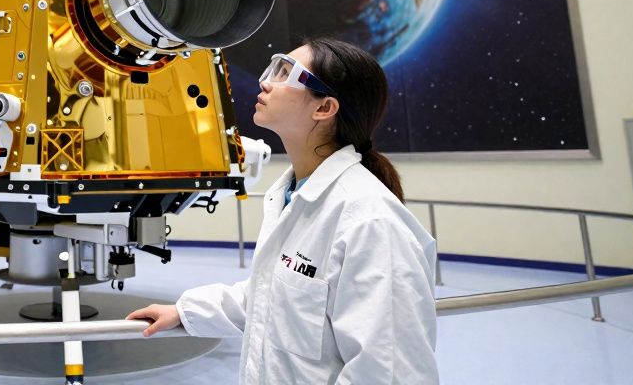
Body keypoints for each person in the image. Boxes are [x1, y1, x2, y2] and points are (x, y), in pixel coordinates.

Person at [127, 38, 439, 383]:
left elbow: (391, 371)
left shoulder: (371, 223)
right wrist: (184, 312)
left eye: (284, 73)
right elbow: (273, 296)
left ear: (324, 109)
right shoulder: (291, 195)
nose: (265, 82)